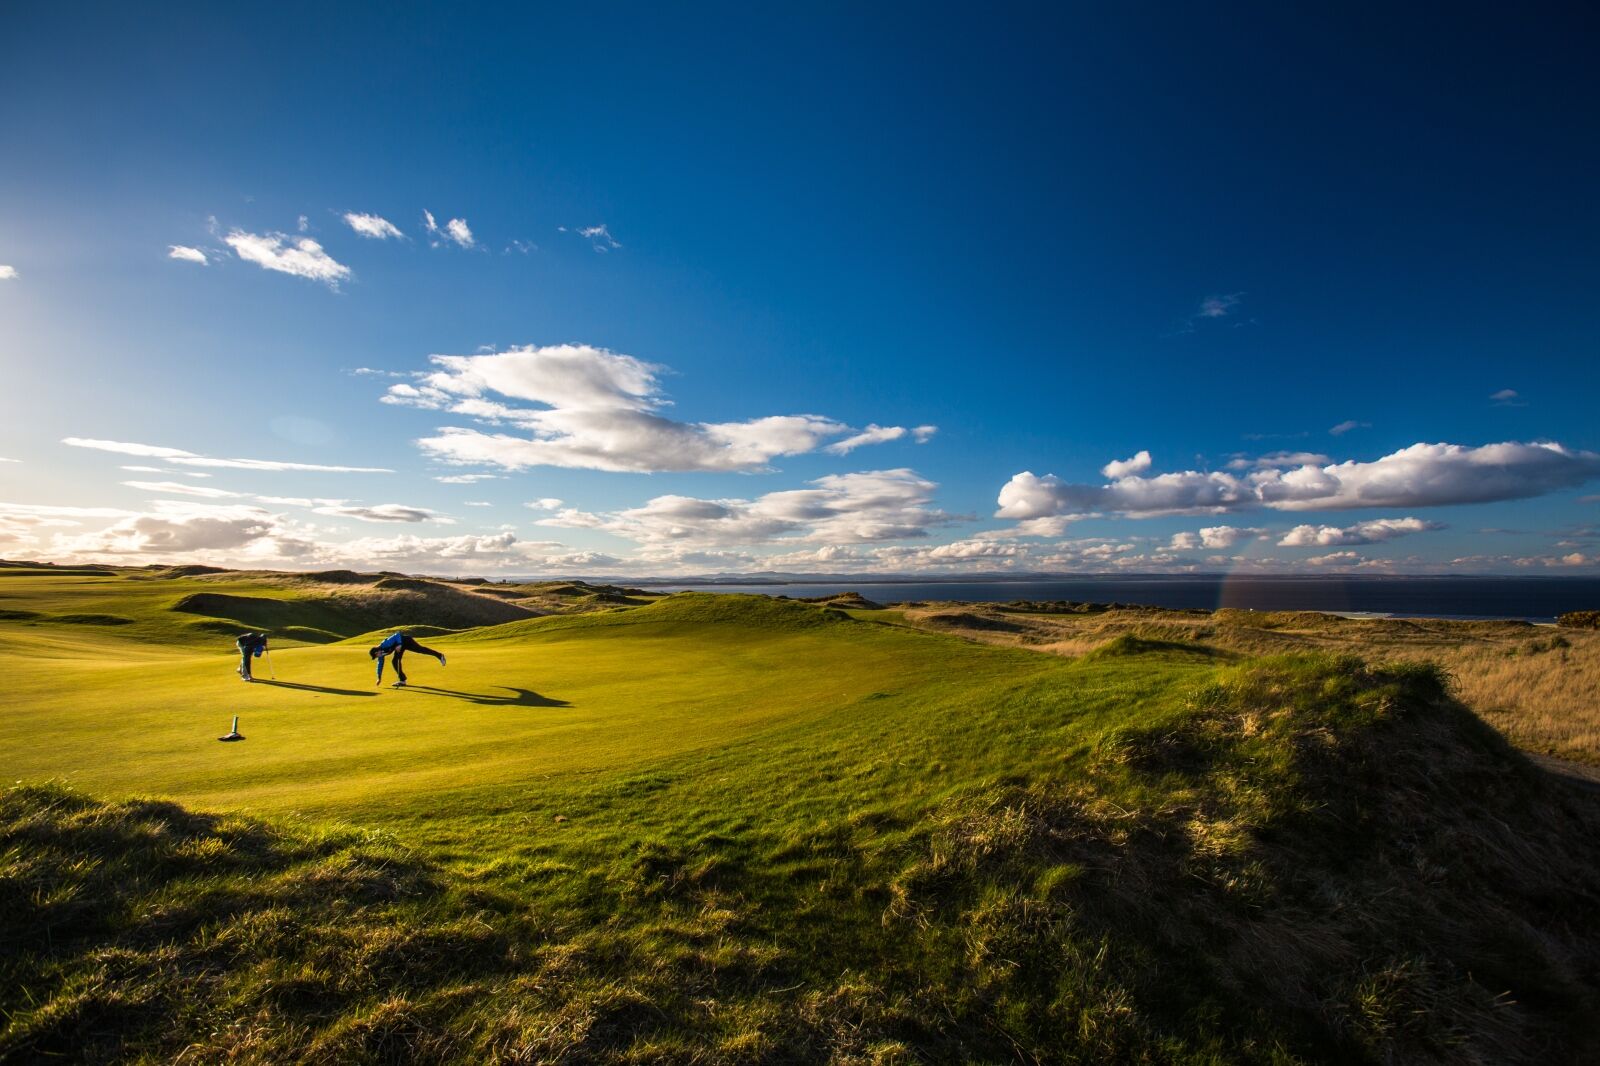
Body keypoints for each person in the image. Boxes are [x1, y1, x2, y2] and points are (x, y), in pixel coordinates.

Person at [370, 631, 446, 688]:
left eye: (376, 656)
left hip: (406, 641)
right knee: (395, 662)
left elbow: (397, 634)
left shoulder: (385, 644)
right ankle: (402, 680)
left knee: (420, 650)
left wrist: (399, 644)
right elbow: (380, 665)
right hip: (399, 647)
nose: (377, 657)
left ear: (377, 651)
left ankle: (440, 656)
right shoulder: (381, 654)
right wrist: (379, 677)